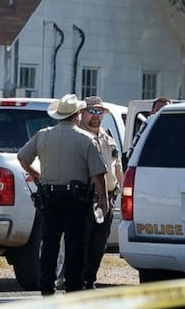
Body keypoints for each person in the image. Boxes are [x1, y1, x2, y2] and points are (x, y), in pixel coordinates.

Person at [17, 93, 108, 296]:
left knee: (49, 243)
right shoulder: (87, 139)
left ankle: (46, 286)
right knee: (75, 244)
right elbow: (98, 175)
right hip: (77, 199)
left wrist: (35, 174)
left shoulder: (42, 135)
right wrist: (104, 200)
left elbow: (22, 156)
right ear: (77, 116)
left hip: (49, 197)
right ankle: (73, 286)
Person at [80, 96, 123, 289]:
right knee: (82, 241)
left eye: (99, 112)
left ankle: (90, 279)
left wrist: (119, 188)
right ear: (81, 113)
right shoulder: (78, 137)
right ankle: (77, 279)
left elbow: (117, 166)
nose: (96, 116)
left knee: (99, 243)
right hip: (85, 197)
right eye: (92, 111)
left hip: (106, 198)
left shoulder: (107, 137)